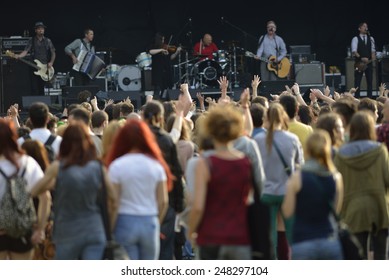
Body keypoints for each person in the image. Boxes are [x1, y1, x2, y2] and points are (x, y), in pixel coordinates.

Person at [282, 130, 344, 260]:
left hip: (302, 240)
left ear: (307, 149)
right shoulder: (336, 177)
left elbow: (287, 212)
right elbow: (336, 210)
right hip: (329, 239)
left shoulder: (297, 177)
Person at [14, 22, 56, 96]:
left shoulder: (47, 41)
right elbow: (25, 51)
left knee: (41, 88)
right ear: (36, 30)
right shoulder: (31, 40)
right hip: (33, 66)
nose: (41, 30)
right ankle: (34, 105)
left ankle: (42, 106)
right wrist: (19, 56)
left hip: (44, 67)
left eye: (42, 28)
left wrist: (51, 62)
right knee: (34, 88)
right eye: (39, 29)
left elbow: (53, 52)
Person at [148, 33, 182, 100]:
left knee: (166, 88)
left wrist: (177, 52)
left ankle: (165, 102)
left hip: (166, 70)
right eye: (162, 40)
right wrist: (161, 50)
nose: (163, 41)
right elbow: (150, 51)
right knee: (157, 88)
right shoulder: (154, 47)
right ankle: (156, 102)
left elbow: (171, 57)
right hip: (158, 71)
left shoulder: (166, 48)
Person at [351, 22, 376, 98]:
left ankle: (370, 98)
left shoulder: (371, 39)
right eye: (364, 26)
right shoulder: (355, 39)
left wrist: (372, 58)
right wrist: (361, 58)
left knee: (370, 81)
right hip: (359, 63)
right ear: (359, 28)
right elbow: (354, 51)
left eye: (366, 26)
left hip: (368, 63)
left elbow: (372, 50)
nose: (366, 28)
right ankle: (357, 97)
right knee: (358, 81)